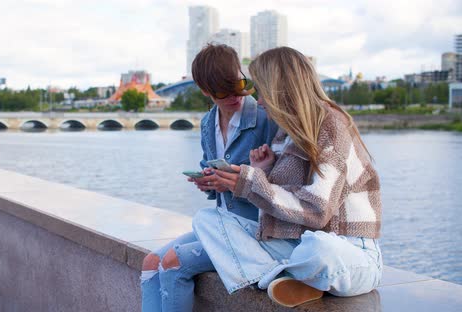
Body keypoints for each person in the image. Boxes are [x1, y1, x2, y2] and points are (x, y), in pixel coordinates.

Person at [192, 47, 383, 308]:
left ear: (281, 89)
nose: (257, 101)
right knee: (207, 220)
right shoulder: (285, 133)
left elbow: (316, 210)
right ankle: (282, 278)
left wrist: (249, 183)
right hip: (297, 241)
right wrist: (265, 171)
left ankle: (280, 275)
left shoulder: (331, 126)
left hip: (349, 251)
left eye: (261, 91)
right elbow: (282, 203)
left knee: (317, 248)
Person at [140, 44, 278, 311]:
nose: (234, 95)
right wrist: (208, 182)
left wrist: (248, 176)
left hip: (254, 230)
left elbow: (286, 185)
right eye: (222, 91)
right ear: (205, 91)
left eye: (239, 84)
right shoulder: (208, 122)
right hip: (221, 225)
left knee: (172, 264)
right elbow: (214, 184)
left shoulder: (265, 119)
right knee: (149, 263)